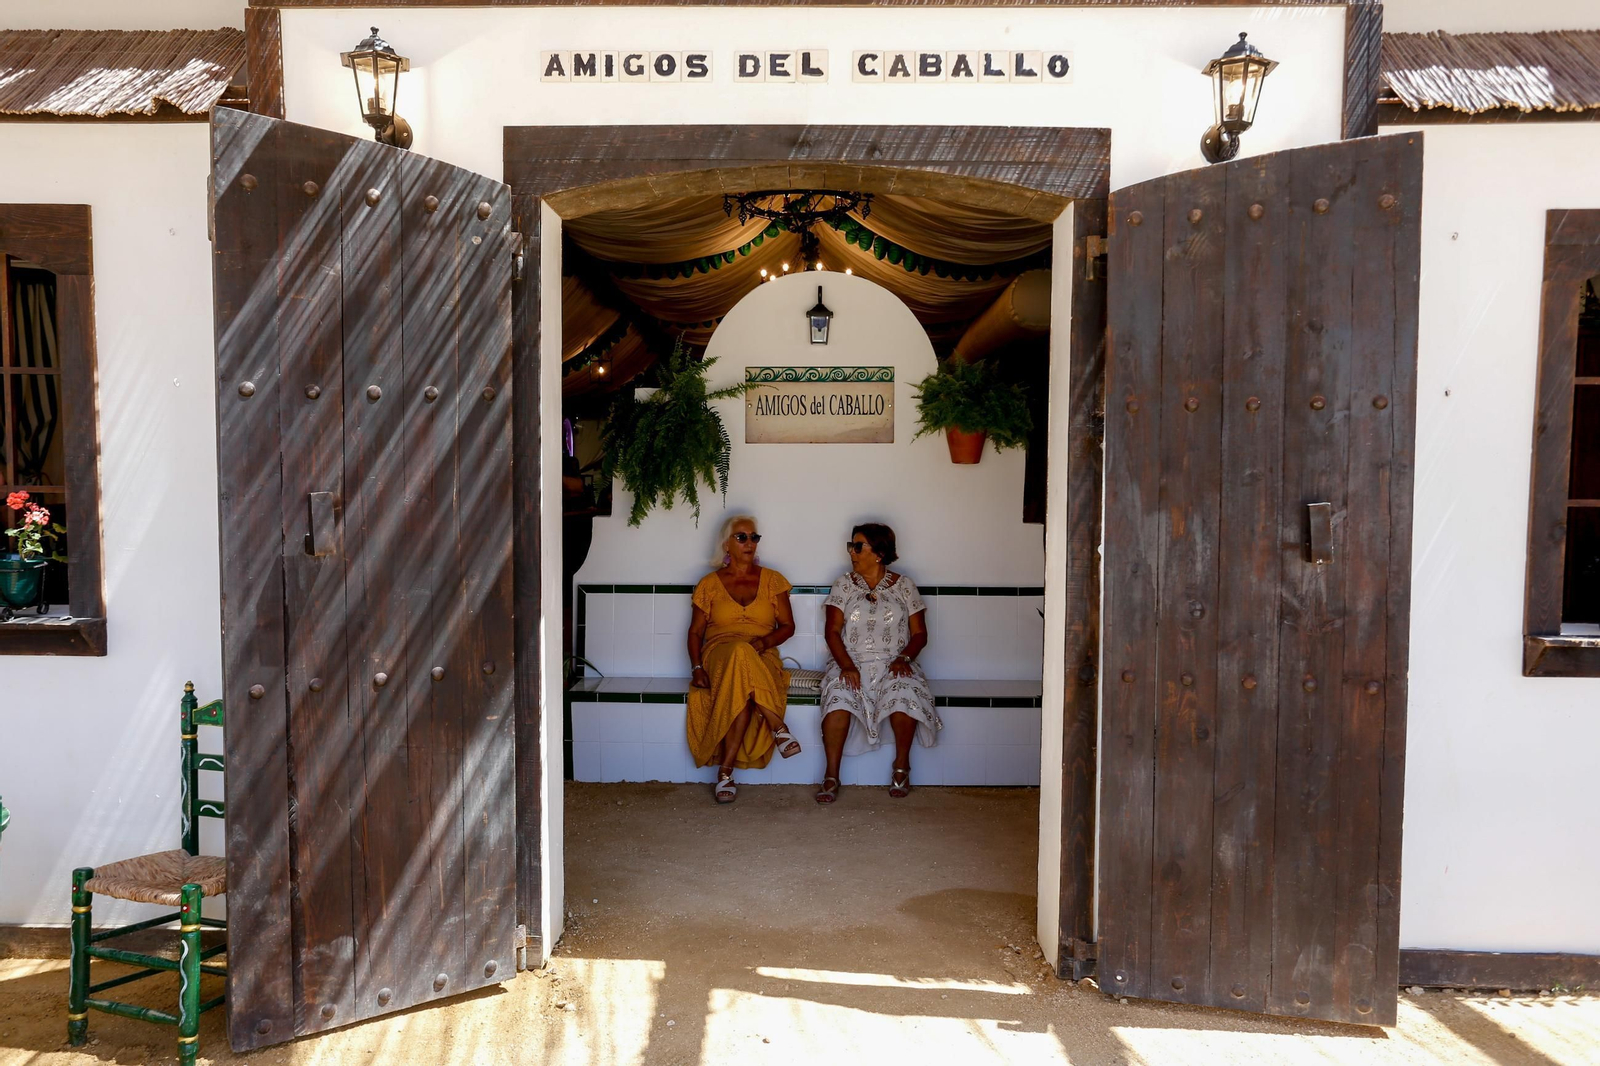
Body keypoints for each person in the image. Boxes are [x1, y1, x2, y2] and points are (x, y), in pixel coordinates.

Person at [816, 522, 939, 803]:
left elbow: (920, 634)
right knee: (838, 693)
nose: (852, 552)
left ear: (879, 553)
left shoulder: (904, 586)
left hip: (894, 661)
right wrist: (846, 666)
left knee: (903, 690)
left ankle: (901, 767)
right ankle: (831, 774)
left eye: (858, 546)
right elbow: (832, 631)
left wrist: (904, 659)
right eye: (852, 545)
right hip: (851, 661)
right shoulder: (843, 584)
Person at [686, 515, 801, 803]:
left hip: (763, 653)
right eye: (742, 537)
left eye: (754, 537)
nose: (749, 542)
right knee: (738, 651)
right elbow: (695, 632)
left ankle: (725, 773)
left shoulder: (773, 580)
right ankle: (779, 727)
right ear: (726, 543)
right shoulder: (709, 584)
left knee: (741, 683)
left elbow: (788, 627)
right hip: (720, 652)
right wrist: (697, 666)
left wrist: (762, 642)